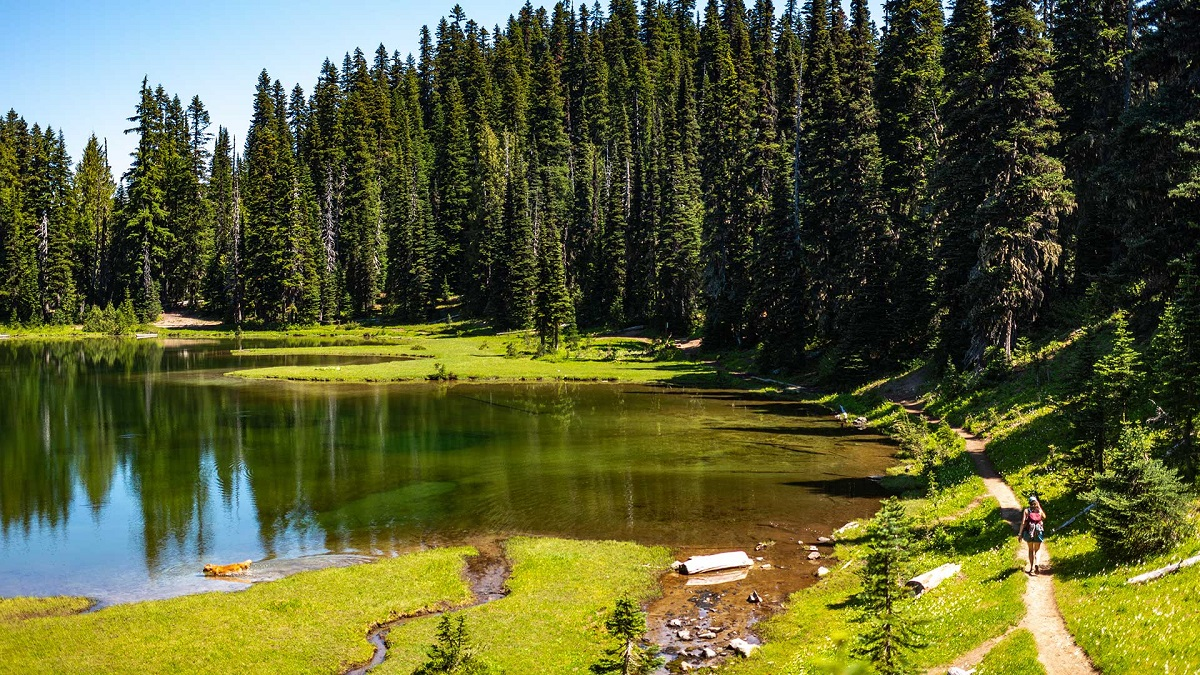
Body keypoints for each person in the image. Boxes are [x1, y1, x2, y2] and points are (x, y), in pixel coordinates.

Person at [1019, 496, 1047, 574]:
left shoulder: (1026, 511)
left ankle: (1031, 568)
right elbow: (1044, 517)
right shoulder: (1039, 510)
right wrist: (1039, 507)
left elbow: (1023, 523)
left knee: (1031, 550)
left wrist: (1020, 534)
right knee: (1037, 549)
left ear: (1029, 503)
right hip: (1038, 533)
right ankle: (1037, 564)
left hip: (1029, 533)